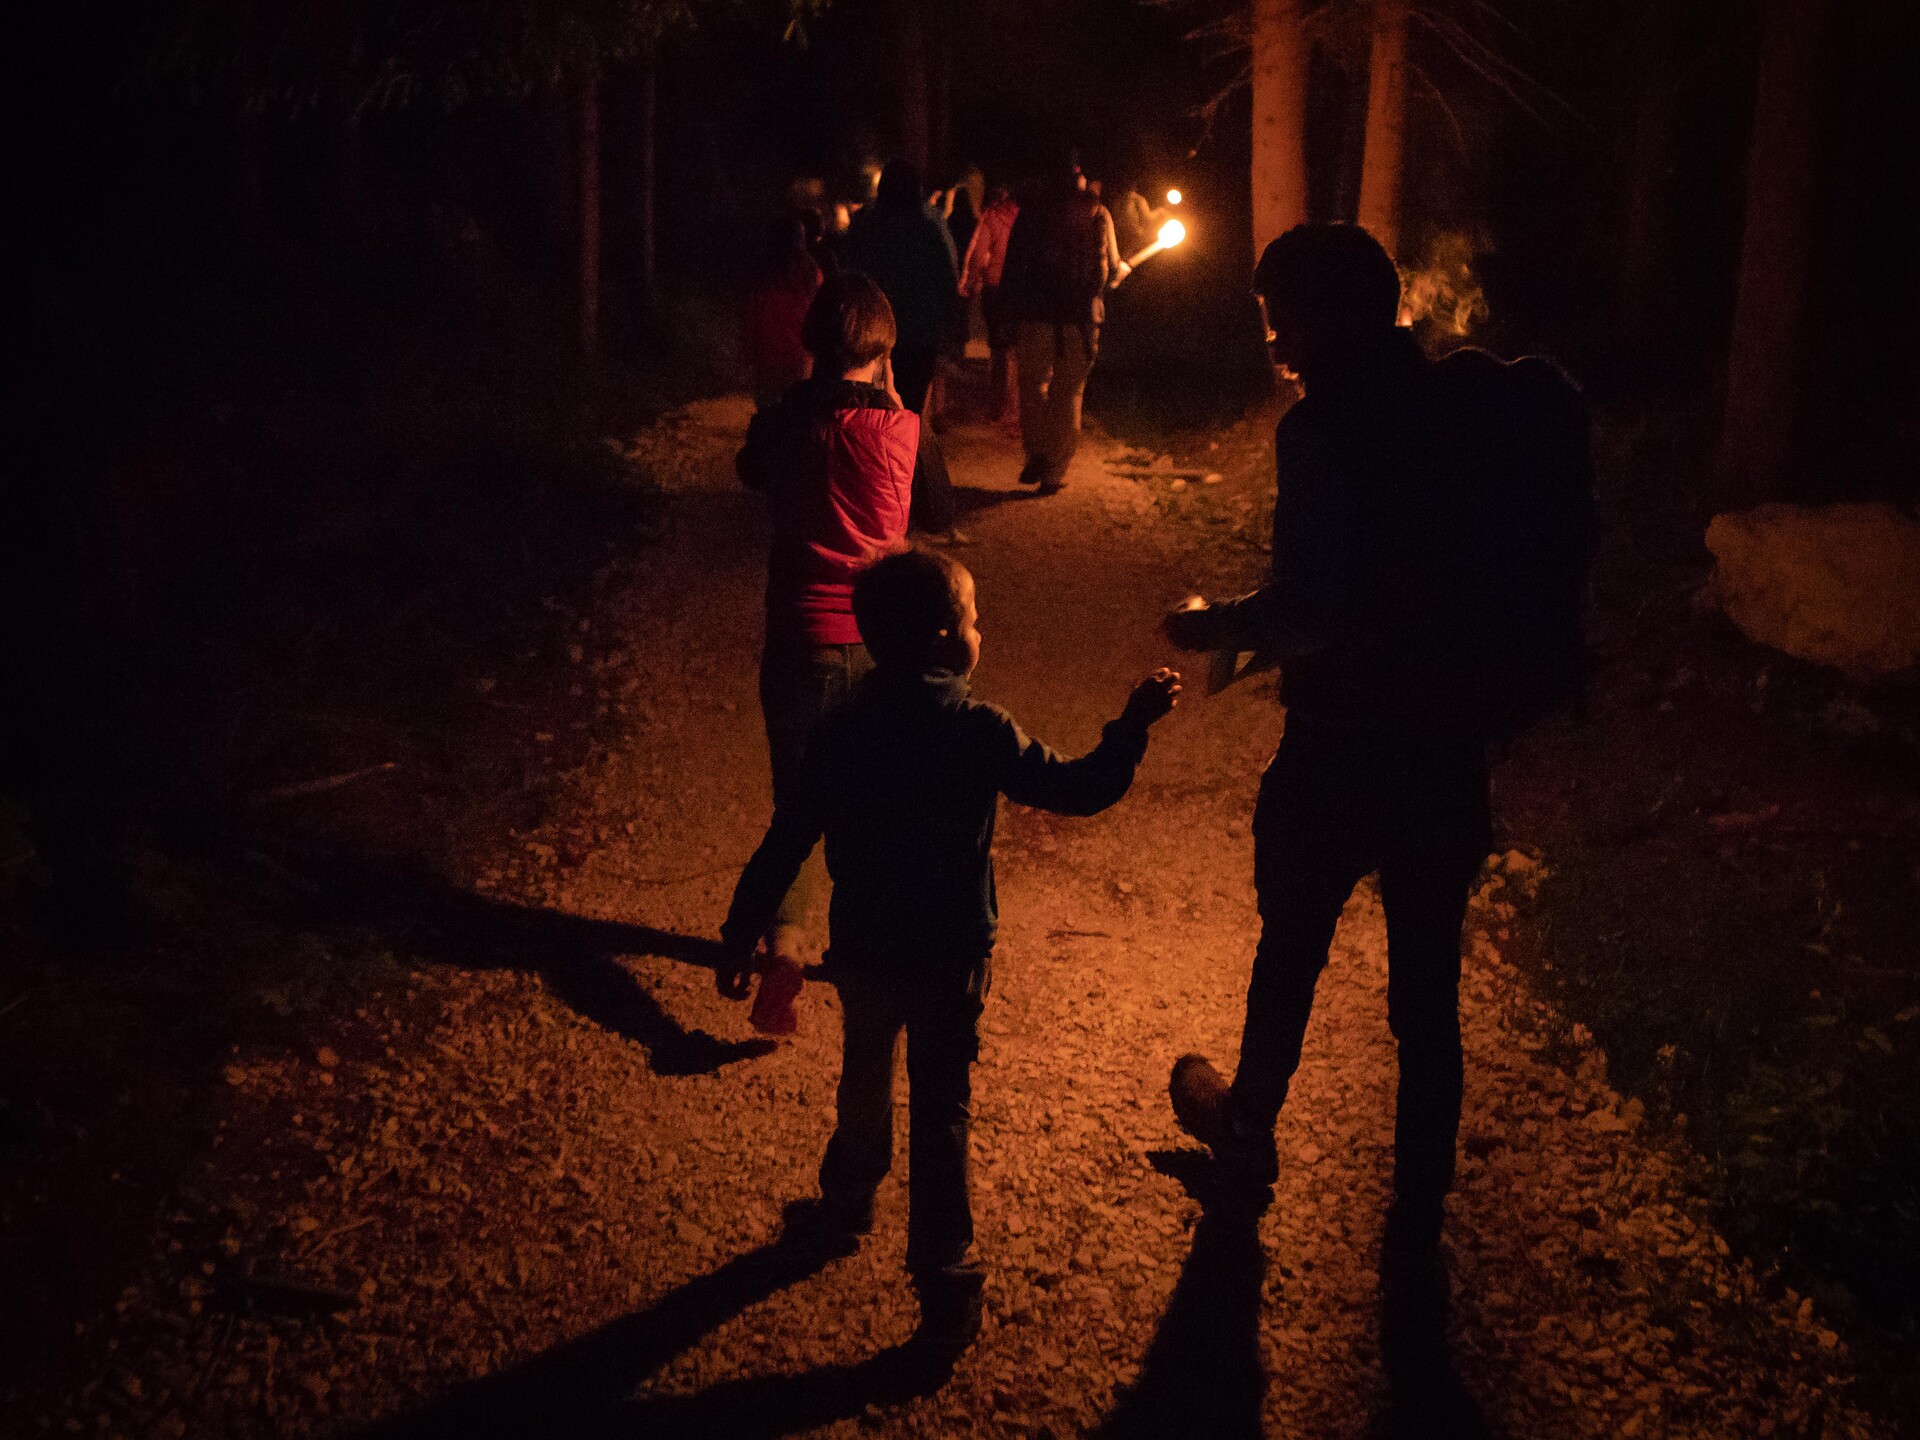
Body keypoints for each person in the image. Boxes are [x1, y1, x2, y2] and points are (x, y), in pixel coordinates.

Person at [1159, 223, 1592, 1261]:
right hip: (1445, 744)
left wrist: (1209, 622)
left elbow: (1314, 604)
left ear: (1330, 313)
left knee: (1292, 950)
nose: (1275, 345)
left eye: (1283, 320)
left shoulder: (1322, 428)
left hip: (1343, 739)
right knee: (1427, 990)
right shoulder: (1464, 406)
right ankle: (1420, 1205)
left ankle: (1246, 1134)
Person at [718, 549, 1182, 1356]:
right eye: (973, 618)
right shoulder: (977, 729)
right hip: (949, 956)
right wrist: (1131, 728)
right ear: (944, 638)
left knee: (863, 1075)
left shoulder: (841, 731)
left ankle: (849, 1201)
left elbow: (787, 837)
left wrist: (740, 927)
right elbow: (1077, 789)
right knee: (943, 1106)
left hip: (866, 951)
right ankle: (944, 1274)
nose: (981, 630)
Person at [734, 274, 963, 1027]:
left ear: (815, 345)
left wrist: (803, 401)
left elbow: (749, 472)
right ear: (884, 350)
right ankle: (875, 951)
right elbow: (936, 510)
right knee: (876, 800)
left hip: (799, 634)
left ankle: (786, 949)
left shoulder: (788, 420)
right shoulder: (903, 429)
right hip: (880, 642)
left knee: (796, 801)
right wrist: (897, 414)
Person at [999, 151, 1129, 492]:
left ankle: (1037, 453)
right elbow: (1111, 270)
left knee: (1033, 388)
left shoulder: (1031, 213)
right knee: (1069, 392)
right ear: (1079, 177)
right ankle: (1055, 471)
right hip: (1082, 320)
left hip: (1036, 315)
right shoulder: (1097, 212)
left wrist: (1007, 314)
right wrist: (1120, 272)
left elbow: (1013, 268)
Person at [843, 160, 961, 417]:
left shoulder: (866, 224)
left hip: (871, 331)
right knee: (909, 409)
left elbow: (847, 273)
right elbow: (947, 278)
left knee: (868, 409)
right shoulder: (931, 226)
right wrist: (947, 326)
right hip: (918, 333)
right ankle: (904, 454)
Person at [741, 214, 824, 411]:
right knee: (796, 411)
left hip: (767, 355)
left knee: (768, 410)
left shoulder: (762, 272)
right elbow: (820, 314)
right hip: (800, 355)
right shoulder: (812, 272)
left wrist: (746, 356)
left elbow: (751, 315)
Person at [960, 182, 1021, 421]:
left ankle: (999, 406)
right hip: (1020, 288)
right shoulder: (1026, 217)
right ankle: (1015, 406)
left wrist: (971, 281)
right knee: (1016, 348)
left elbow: (977, 253)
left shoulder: (992, 217)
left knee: (998, 348)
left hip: (996, 288)